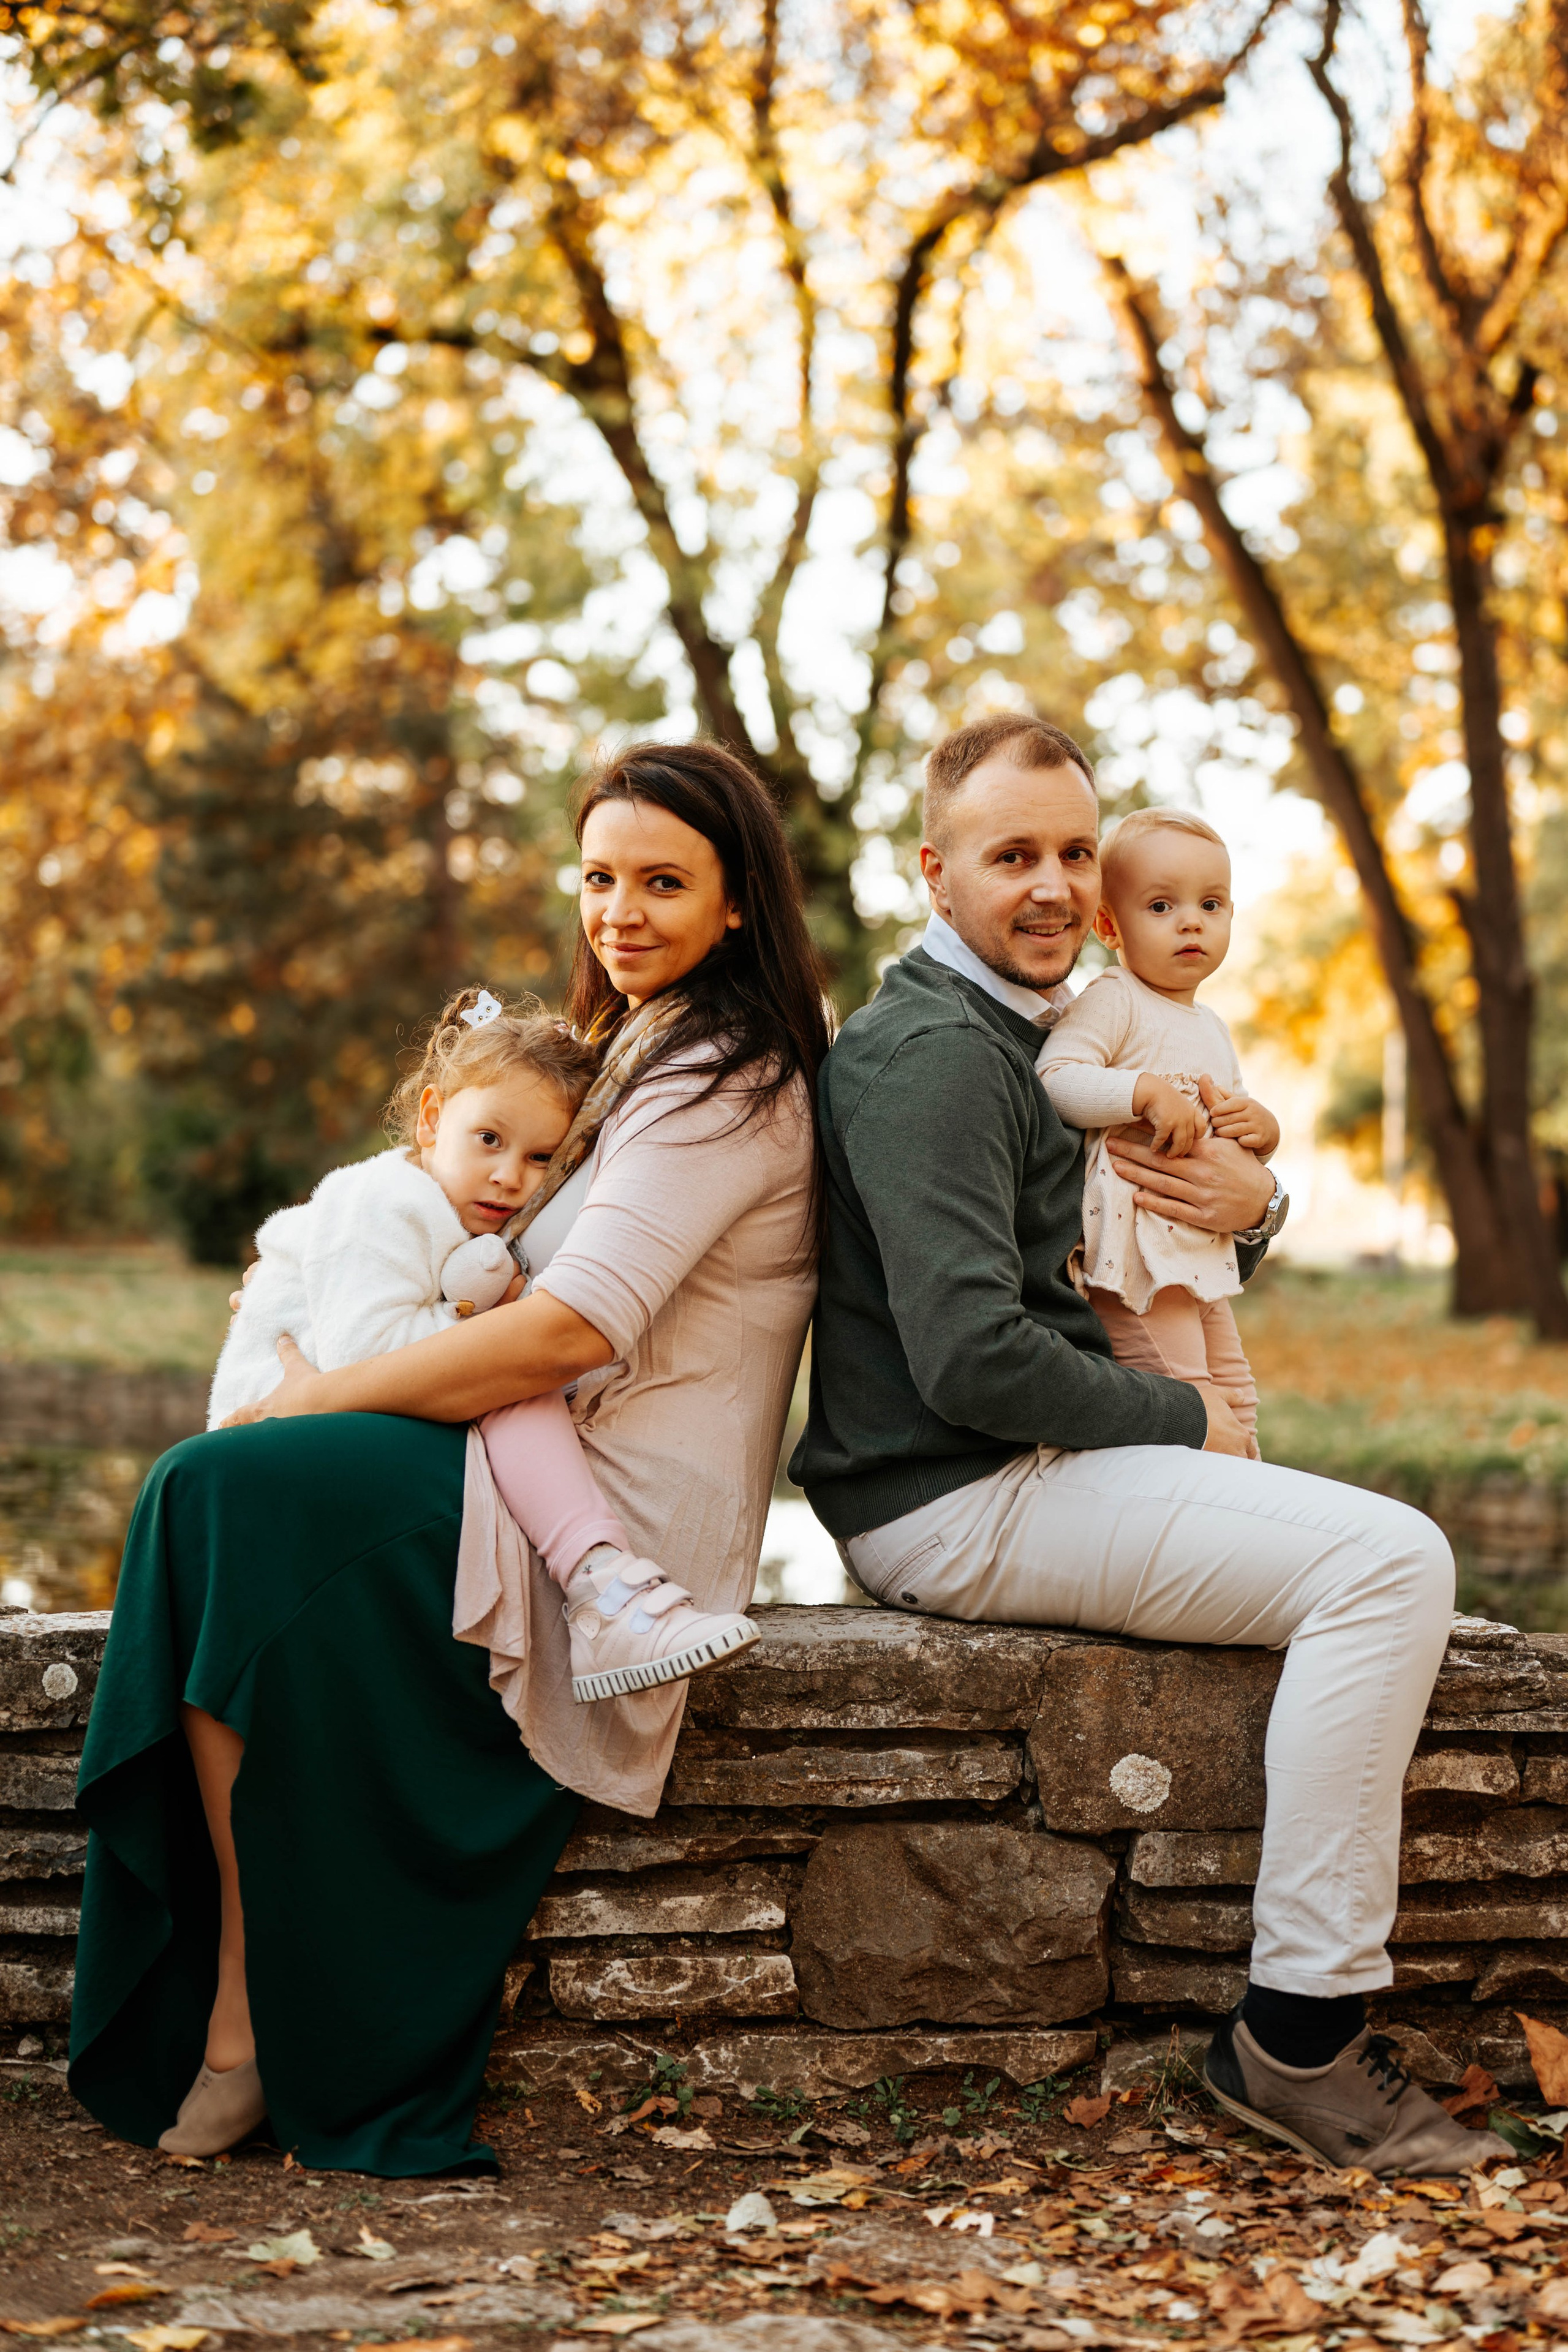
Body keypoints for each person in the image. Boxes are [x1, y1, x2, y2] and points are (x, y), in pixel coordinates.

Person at [69, 740, 827, 2173]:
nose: (619, 912)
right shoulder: (638, 1047)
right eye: (597, 878)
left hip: (603, 1504)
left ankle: (256, 2019)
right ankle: (240, 1998)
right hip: (520, 1448)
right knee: (211, 1506)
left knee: (215, 1487)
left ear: (737, 900)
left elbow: (567, 1330)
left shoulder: (723, 1076)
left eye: (662, 883)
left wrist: (316, 1400)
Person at [793, 710, 1507, 2177]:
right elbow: (967, 1357)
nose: (1054, 886)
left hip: (1028, 1465)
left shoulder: (1046, 1030)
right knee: (1387, 1565)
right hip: (955, 1495)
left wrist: (1259, 1207)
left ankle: (1299, 2031)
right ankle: (1295, 2040)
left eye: (1073, 852)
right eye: (1011, 856)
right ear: (933, 871)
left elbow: (1156, 1232)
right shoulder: (931, 1053)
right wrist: (1183, 1417)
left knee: (1366, 1555)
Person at [209, 986, 760, 1703]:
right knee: (507, 1371)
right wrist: (500, 1326)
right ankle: (601, 1586)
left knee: (504, 1367)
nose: (509, 1176)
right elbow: (362, 1354)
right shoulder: (385, 1201)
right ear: (432, 1118)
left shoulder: (451, 1213)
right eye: (489, 1140)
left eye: (540, 1157)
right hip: (270, 1428)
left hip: (327, 1425)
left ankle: (602, 1584)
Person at [1036, 807, 1280, 1460]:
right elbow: (1055, 1079)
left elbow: (1234, 1128)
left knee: (1238, 1396)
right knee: (1191, 1399)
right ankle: (1216, 1511)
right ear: (1109, 926)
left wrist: (1262, 1129)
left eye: (1210, 904)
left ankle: (1250, 1506)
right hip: (1138, 1256)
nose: (1191, 922)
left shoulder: (1212, 1027)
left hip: (1199, 1253)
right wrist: (1140, 1092)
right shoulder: (1115, 998)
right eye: (1161, 906)